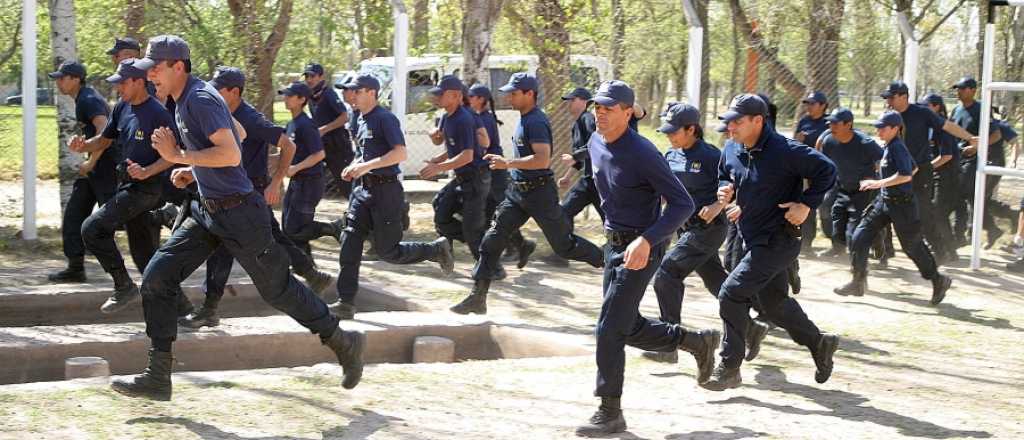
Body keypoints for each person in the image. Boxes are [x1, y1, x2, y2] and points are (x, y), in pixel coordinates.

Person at [110, 35, 364, 401]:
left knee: (278, 291)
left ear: (178, 66)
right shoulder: (185, 98)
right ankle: (158, 375)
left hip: (241, 213)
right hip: (208, 210)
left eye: (157, 69)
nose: (152, 77)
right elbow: (240, 134)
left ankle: (342, 340)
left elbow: (230, 154)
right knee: (156, 278)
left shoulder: (197, 98)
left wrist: (181, 156)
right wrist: (195, 171)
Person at [574, 82, 717, 437]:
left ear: (627, 112)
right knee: (626, 325)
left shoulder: (643, 153)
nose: (600, 113)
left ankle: (610, 411)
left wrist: (647, 239)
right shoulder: (594, 140)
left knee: (608, 328)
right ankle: (694, 341)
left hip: (644, 247)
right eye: (597, 107)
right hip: (613, 245)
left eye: (609, 108)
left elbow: (682, 204)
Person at [180, 68, 336, 330]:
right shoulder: (219, 113)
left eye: (219, 89)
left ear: (234, 91)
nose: (212, 93)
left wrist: (276, 182)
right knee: (235, 247)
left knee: (261, 245)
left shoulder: (249, 118)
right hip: (230, 196)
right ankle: (311, 275)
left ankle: (310, 288)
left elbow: (289, 145)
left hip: (248, 196)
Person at [702, 94, 839, 392]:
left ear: (758, 121)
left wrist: (806, 204)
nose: (731, 127)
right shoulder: (731, 148)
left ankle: (730, 366)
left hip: (779, 239)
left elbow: (827, 171)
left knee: (731, 293)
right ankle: (820, 343)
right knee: (774, 305)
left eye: (737, 122)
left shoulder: (786, 150)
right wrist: (727, 192)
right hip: (751, 237)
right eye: (729, 121)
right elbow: (725, 175)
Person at [448, 73, 604, 315]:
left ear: (529, 94)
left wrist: (507, 163)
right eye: (509, 92)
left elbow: (542, 159)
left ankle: (611, 261)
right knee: (492, 239)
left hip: (540, 192)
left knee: (564, 246)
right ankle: (477, 297)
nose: (509, 96)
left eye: (514, 93)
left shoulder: (536, 121)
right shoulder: (523, 118)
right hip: (518, 192)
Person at [327, 74, 454, 320]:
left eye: (356, 91)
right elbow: (364, 153)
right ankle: (345, 302)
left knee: (389, 252)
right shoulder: (358, 119)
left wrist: (365, 167)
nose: (351, 95)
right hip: (363, 191)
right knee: (349, 244)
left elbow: (400, 154)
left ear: (371, 92)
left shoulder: (385, 119)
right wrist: (355, 165)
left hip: (386, 192)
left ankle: (435, 250)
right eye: (350, 91)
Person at [642, 103, 754, 365]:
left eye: (674, 131)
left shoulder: (711, 155)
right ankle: (751, 328)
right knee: (715, 281)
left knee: (666, 274)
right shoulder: (671, 155)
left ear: (691, 129)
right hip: (685, 228)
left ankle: (669, 343)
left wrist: (717, 206)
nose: (669, 135)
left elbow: (736, 182)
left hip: (709, 229)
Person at [71, 58, 177, 314]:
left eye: (123, 83)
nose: (119, 88)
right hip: (128, 186)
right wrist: (83, 146)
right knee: (145, 257)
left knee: (92, 229)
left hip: (148, 189)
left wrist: (147, 170)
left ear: (139, 82)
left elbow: (174, 154)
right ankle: (181, 309)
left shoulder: (158, 114)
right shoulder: (122, 107)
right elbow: (104, 140)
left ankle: (124, 287)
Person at [834, 111, 954, 306]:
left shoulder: (897, 147)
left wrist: (878, 183)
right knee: (859, 237)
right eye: (878, 127)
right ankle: (857, 281)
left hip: (903, 205)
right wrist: (884, 186)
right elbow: (913, 168)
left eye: (883, 127)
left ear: (895, 128)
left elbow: (906, 175)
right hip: (885, 202)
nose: (878, 131)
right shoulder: (890, 146)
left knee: (912, 247)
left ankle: (938, 280)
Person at [883, 81, 975, 263]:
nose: (888, 102)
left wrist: (970, 138)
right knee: (884, 210)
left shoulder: (921, 113)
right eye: (887, 98)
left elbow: (947, 126)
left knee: (924, 214)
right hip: (895, 170)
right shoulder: (888, 115)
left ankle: (940, 252)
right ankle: (884, 251)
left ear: (903, 96)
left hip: (920, 172)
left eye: (891, 97)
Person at [46, 61, 117, 283]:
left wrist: (91, 162)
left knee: (123, 220)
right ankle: (75, 268)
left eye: (62, 77)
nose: (58, 82)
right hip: (96, 169)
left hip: (106, 169)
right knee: (74, 215)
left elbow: (105, 130)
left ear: (76, 78)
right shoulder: (84, 98)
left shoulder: (88, 99)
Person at [467, 84, 535, 270]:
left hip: (495, 170)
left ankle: (519, 245)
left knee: (497, 210)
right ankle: (519, 245)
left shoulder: (484, 119)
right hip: (489, 168)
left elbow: (484, 145)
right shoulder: (480, 117)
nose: (469, 99)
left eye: (472, 97)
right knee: (493, 212)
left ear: (481, 99)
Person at [422, 75, 491, 259]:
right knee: (442, 215)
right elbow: (446, 144)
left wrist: (439, 168)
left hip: (476, 177)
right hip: (462, 177)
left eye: (440, 94)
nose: (437, 98)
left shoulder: (465, 119)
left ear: (455, 95)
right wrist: (436, 152)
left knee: (472, 229)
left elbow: (467, 155)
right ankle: (451, 249)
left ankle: (492, 268)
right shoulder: (446, 117)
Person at [277, 81, 339, 255]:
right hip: (297, 182)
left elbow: (319, 154)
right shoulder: (291, 124)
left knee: (296, 229)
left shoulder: (306, 124)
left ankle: (332, 228)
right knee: (290, 228)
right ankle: (307, 268)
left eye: (290, 96)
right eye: (285, 95)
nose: (285, 99)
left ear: (302, 99)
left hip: (310, 183)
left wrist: (296, 168)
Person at [816, 108, 883, 257]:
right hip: (841, 186)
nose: (831, 127)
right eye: (830, 123)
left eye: (835, 124)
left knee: (859, 224)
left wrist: (875, 178)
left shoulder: (865, 142)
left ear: (848, 124)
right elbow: (826, 164)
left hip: (864, 190)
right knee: (835, 215)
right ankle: (838, 248)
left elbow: (884, 159)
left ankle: (876, 243)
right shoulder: (829, 141)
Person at [920, 93, 961, 264]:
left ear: (936, 107)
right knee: (932, 212)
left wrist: (925, 169)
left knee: (938, 213)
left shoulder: (943, 127)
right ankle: (943, 248)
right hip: (935, 174)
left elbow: (946, 156)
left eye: (926, 106)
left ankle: (949, 251)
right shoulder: (929, 126)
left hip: (947, 176)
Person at [304, 63, 354, 199]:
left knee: (346, 181)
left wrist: (324, 129)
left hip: (338, 145)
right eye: (307, 76)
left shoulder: (329, 94)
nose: (309, 79)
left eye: (312, 76)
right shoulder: (311, 96)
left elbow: (344, 116)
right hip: (322, 144)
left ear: (321, 77)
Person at [795, 91, 833, 252]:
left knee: (826, 207)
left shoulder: (830, 122)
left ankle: (836, 242)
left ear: (823, 106)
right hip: (806, 170)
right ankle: (806, 242)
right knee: (807, 205)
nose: (809, 107)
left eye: (813, 103)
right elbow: (794, 143)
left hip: (824, 171)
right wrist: (798, 140)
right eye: (807, 104)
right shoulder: (804, 121)